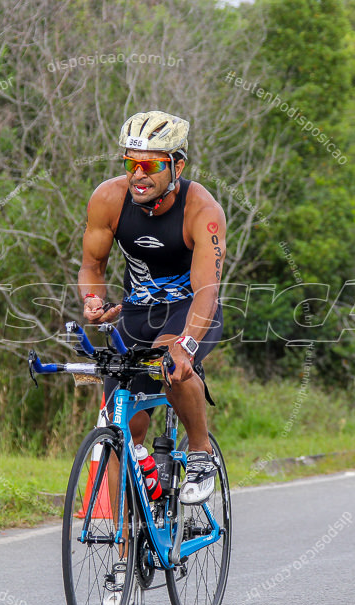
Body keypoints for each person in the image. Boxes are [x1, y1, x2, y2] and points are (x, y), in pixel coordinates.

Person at [78, 109, 226, 507]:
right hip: (135, 315)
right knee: (121, 428)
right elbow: (91, 267)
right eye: (131, 163)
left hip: (189, 310)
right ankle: (126, 549)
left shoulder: (203, 211)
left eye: (151, 165)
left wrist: (187, 345)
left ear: (177, 165)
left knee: (171, 364)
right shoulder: (108, 199)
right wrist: (94, 300)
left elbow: (207, 290)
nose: (138, 174)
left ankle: (199, 454)